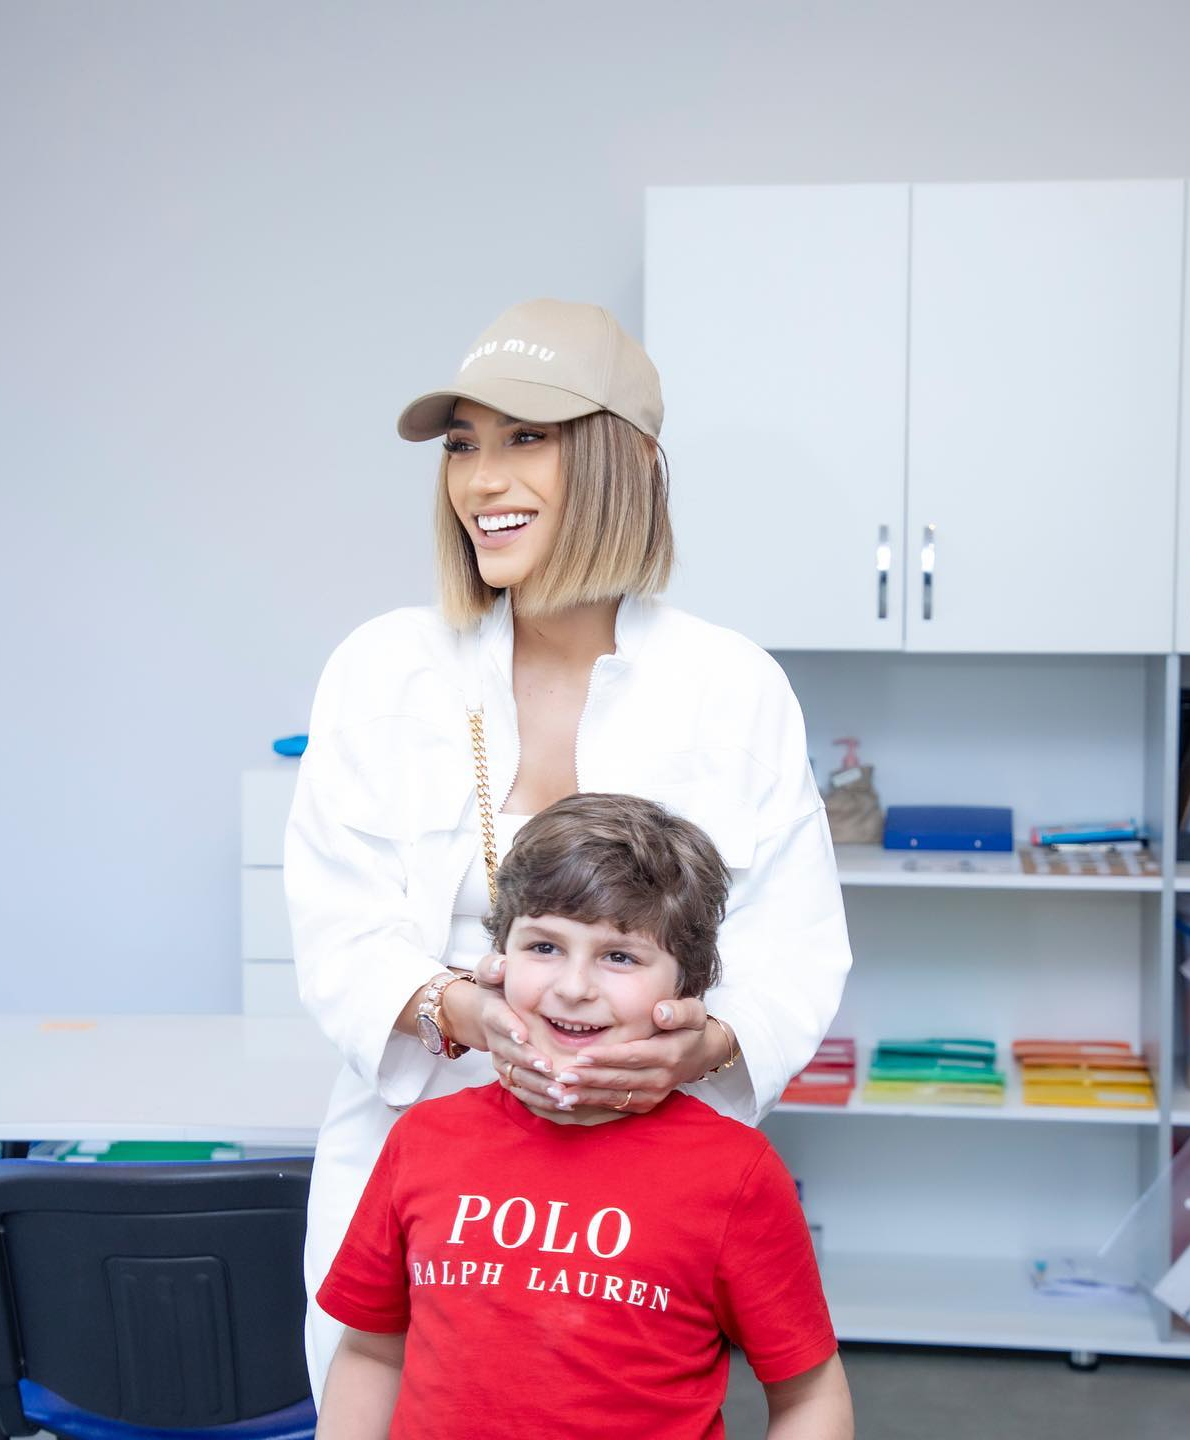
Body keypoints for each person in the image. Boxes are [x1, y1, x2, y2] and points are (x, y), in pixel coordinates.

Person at [285, 297, 853, 1399]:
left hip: (646, 1194)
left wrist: (704, 1046)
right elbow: (337, 928)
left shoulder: (731, 687)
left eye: (525, 439)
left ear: (623, 463)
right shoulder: (382, 669)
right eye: (463, 446)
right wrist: (466, 1014)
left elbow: (794, 946)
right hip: (420, 1174)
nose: (482, 481)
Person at [314, 794, 854, 1440]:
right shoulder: (422, 1141)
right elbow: (371, 1353)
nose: (573, 987)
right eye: (544, 946)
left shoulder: (735, 1174)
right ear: (498, 961)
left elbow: (809, 1394)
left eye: (620, 956)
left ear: (685, 990)